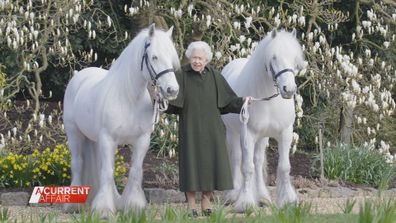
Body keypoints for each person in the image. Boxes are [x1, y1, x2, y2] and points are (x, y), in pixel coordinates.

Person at [166, 41, 252, 217]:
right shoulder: (180, 74)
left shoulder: (215, 76)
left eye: (200, 58)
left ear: (207, 59)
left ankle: (206, 201)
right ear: (190, 57)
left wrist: (244, 101)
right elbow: (171, 103)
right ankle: (191, 205)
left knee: (213, 165)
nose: (197, 61)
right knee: (190, 166)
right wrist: (159, 100)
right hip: (189, 129)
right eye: (194, 57)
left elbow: (228, 102)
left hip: (213, 130)